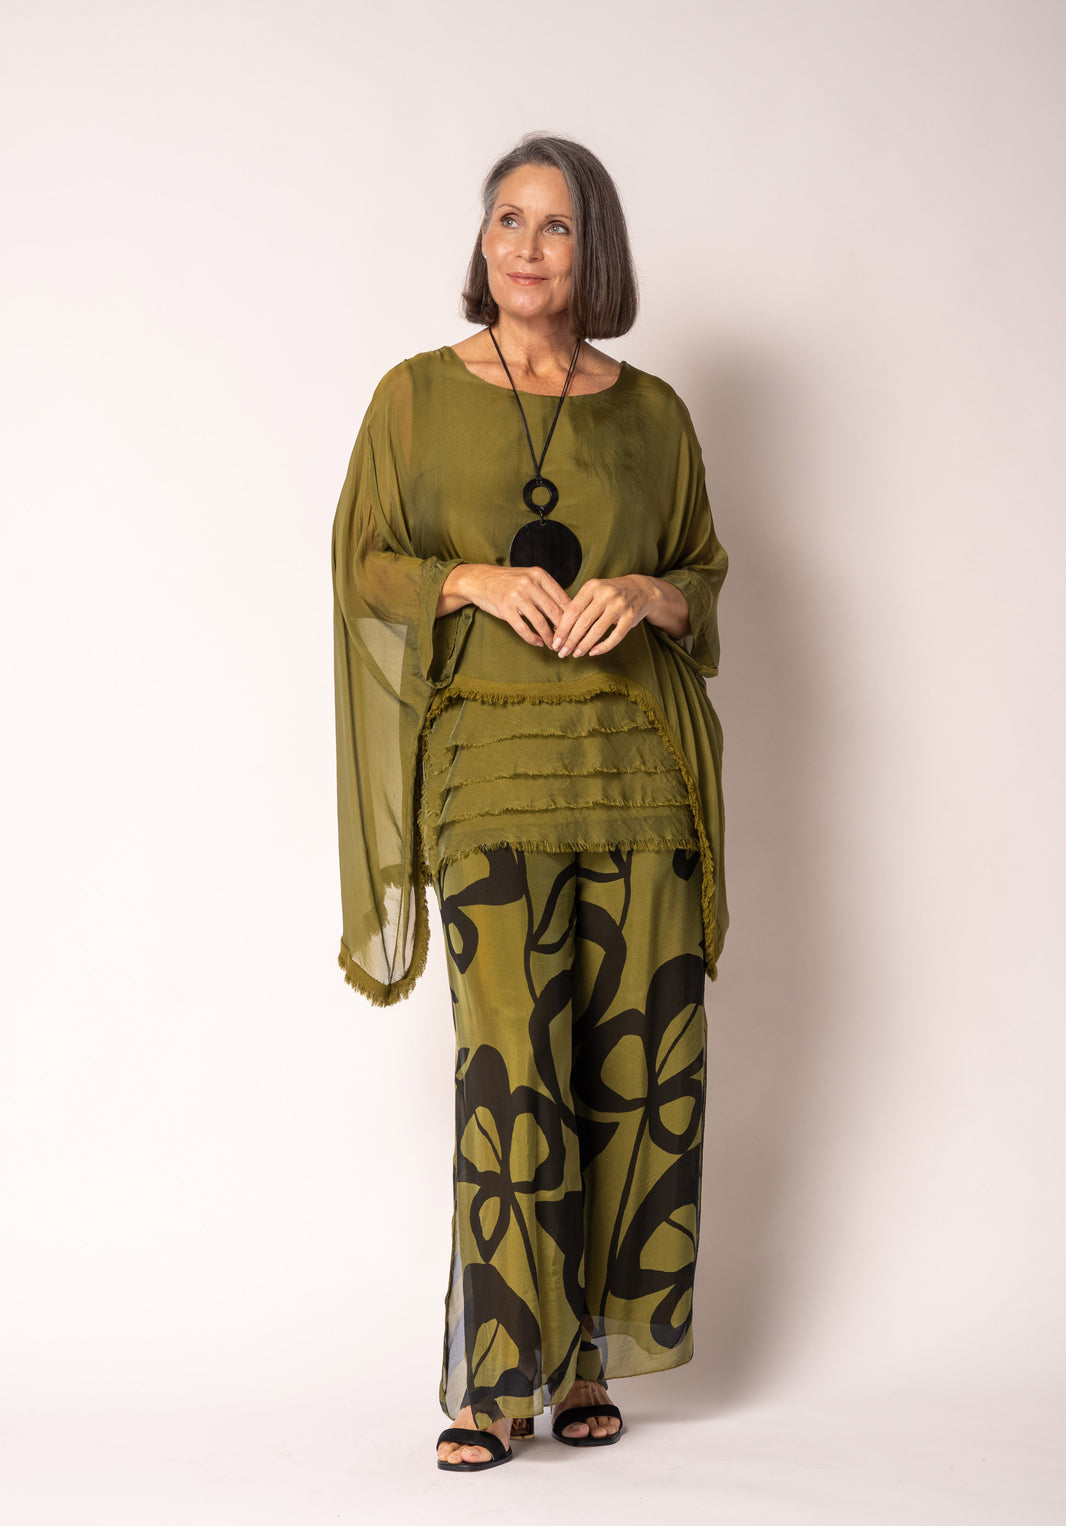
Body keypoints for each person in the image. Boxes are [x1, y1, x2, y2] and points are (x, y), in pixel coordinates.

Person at [330, 133, 728, 1473]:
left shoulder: (653, 414)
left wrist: (652, 594)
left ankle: (585, 1360)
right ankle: (493, 1381)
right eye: (507, 218)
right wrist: (469, 579)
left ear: (593, 251)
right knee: (509, 1070)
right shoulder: (412, 398)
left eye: (555, 226)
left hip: (636, 774)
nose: (524, 246)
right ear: (482, 238)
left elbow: (702, 573)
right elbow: (363, 562)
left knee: (632, 1069)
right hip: (489, 767)